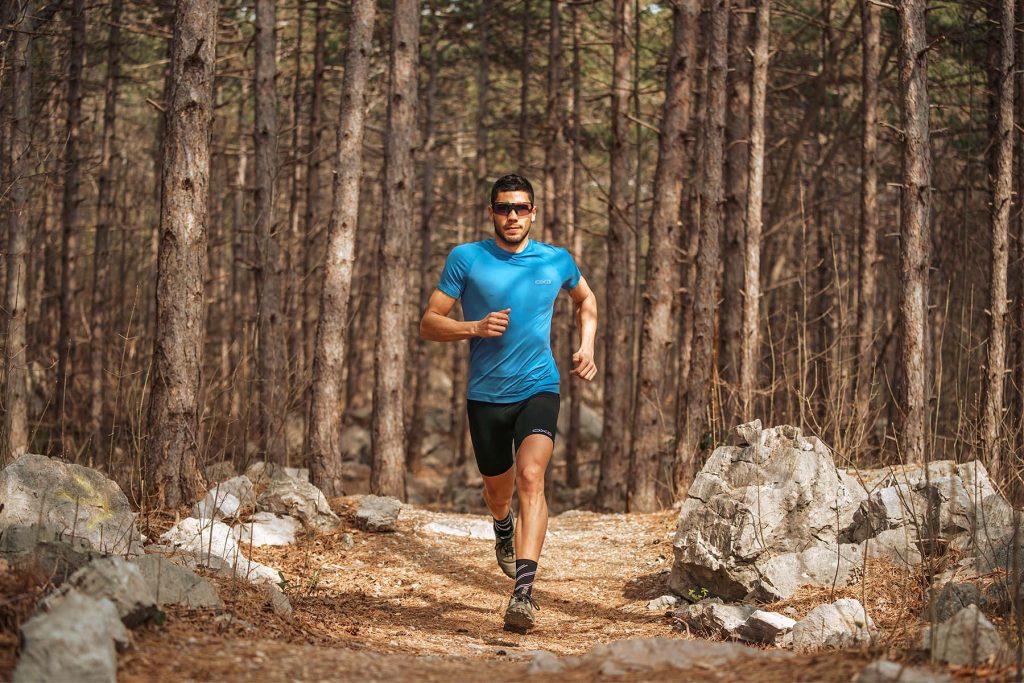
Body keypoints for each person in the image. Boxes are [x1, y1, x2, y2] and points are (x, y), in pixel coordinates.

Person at [419, 173, 598, 632]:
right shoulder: (467, 258)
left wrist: (587, 346)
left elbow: (586, 300)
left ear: (533, 212)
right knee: (498, 493)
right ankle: (502, 524)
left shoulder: (556, 259)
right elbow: (429, 322)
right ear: (492, 212)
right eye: (503, 208)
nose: (512, 215)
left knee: (531, 476)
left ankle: (522, 594)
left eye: (520, 207)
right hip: (486, 396)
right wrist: (474, 328)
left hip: (540, 386)